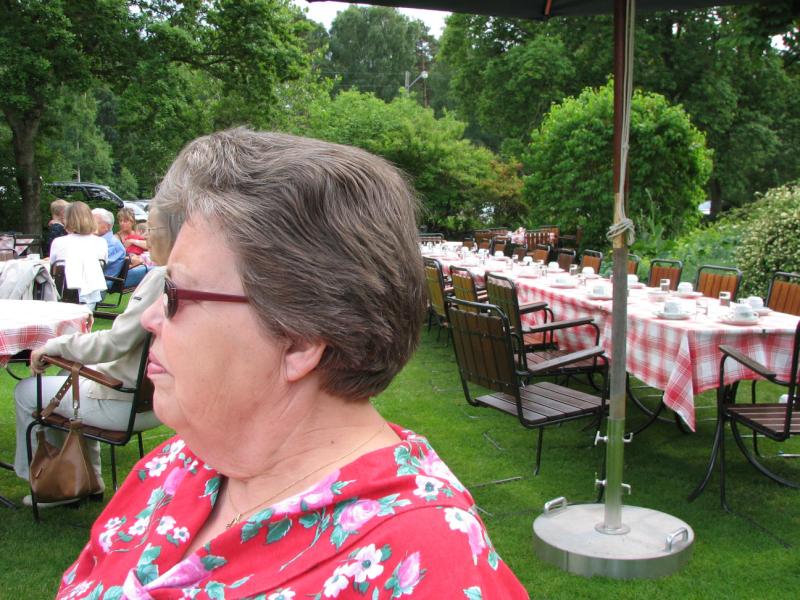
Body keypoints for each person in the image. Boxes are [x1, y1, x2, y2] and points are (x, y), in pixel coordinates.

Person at [56, 129, 528, 599]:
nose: (152, 318)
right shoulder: (177, 467)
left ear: (298, 341)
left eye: (175, 293)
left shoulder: (425, 568)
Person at [14, 206, 182, 507]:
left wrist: (55, 346)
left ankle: (49, 485)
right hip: (154, 399)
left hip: (124, 402)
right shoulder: (186, 276)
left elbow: (115, 342)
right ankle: (86, 479)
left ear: (170, 234)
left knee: (27, 391)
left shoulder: (161, 277)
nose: (144, 238)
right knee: (67, 376)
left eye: (150, 230)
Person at [49, 201, 108, 307]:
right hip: (91, 293)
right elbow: (103, 264)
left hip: (61, 293)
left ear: (67, 220)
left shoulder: (58, 242)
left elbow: (53, 269)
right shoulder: (101, 242)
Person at [114, 207, 149, 288]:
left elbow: (149, 246)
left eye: (125, 221)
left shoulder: (138, 233)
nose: (122, 223)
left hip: (141, 265)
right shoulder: (116, 237)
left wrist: (132, 241)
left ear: (132, 222)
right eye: (120, 221)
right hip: (127, 269)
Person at [91, 207, 126, 282]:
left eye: (94, 223)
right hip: (91, 281)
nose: (90, 226)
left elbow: (94, 267)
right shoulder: (95, 240)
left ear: (107, 226)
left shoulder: (114, 245)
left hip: (100, 283)